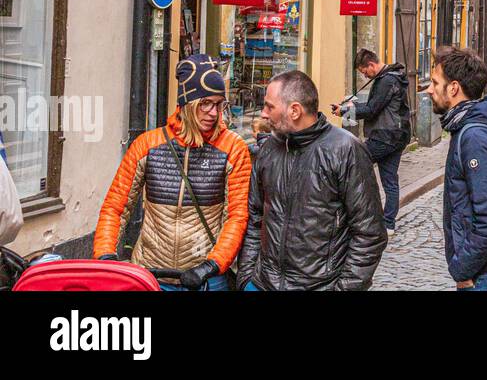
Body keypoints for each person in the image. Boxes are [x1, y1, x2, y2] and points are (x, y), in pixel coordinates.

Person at [94, 56, 251, 291]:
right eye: (205, 103)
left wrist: (212, 264)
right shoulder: (148, 145)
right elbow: (116, 207)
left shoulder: (232, 148)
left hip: (207, 278)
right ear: (187, 103)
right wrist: (106, 256)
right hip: (151, 274)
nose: (213, 113)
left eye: (219, 104)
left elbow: (236, 217)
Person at [239, 70, 386, 290]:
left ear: (295, 110)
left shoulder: (345, 150)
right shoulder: (269, 149)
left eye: (269, 106)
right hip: (263, 283)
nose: (263, 114)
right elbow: (255, 216)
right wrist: (246, 278)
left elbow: (369, 234)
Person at [425, 45, 487, 291]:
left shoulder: (475, 136)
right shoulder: (469, 128)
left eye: (435, 83)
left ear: (454, 88)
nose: (429, 90)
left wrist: (463, 268)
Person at [334, 49, 411, 234]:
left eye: (364, 71)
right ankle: (388, 224)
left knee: (354, 165)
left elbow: (372, 109)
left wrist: (345, 111)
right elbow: (374, 107)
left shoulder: (386, 80)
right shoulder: (392, 77)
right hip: (397, 136)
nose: (364, 75)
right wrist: (348, 108)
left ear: (371, 65)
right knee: (390, 181)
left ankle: (355, 216)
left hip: (385, 137)